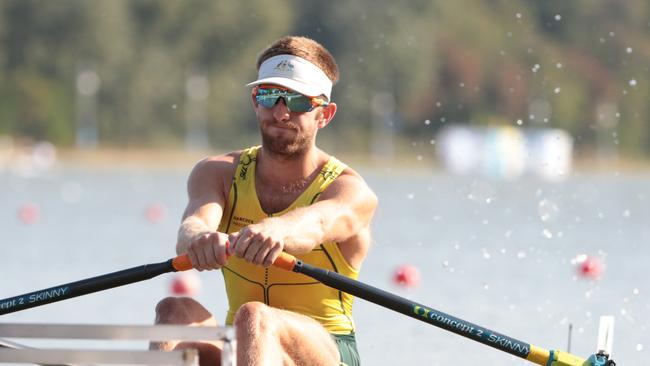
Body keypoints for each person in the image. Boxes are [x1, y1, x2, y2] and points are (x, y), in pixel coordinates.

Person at [152, 35, 377, 366]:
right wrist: (198, 239)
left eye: (298, 102)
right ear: (255, 102)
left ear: (325, 115)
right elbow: (193, 225)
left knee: (256, 316)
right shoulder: (217, 173)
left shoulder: (350, 190)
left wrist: (277, 231)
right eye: (270, 96)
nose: (281, 113)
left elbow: (318, 223)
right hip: (242, 348)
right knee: (174, 310)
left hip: (327, 350)